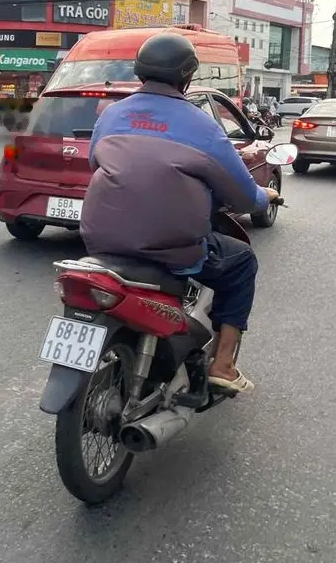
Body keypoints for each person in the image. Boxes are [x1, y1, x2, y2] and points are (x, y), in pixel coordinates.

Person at [80, 32, 279, 394]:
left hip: (100, 239)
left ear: (140, 72)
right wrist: (265, 196)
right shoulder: (201, 126)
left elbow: (96, 161)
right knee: (242, 262)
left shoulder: (111, 114)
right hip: (170, 247)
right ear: (187, 76)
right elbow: (244, 198)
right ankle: (223, 365)